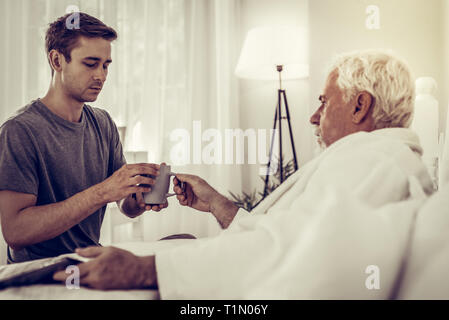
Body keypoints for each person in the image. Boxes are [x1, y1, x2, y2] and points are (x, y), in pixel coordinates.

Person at [53, 50, 434, 298]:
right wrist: (219, 205)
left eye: (323, 101)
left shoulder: (375, 163)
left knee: (168, 245)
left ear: (359, 106)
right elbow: (290, 237)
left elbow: (307, 254)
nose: (314, 116)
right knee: (180, 238)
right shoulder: (368, 158)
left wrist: (143, 269)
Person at [0, 12, 166, 264]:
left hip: (89, 261)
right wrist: (102, 192)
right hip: (41, 271)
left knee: (179, 247)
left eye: (106, 65)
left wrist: (140, 198)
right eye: (90, 64)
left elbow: (124, 204)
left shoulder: (103, 123)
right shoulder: (20, 131)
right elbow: (15, 232)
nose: (101, 75)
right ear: (57, 60)